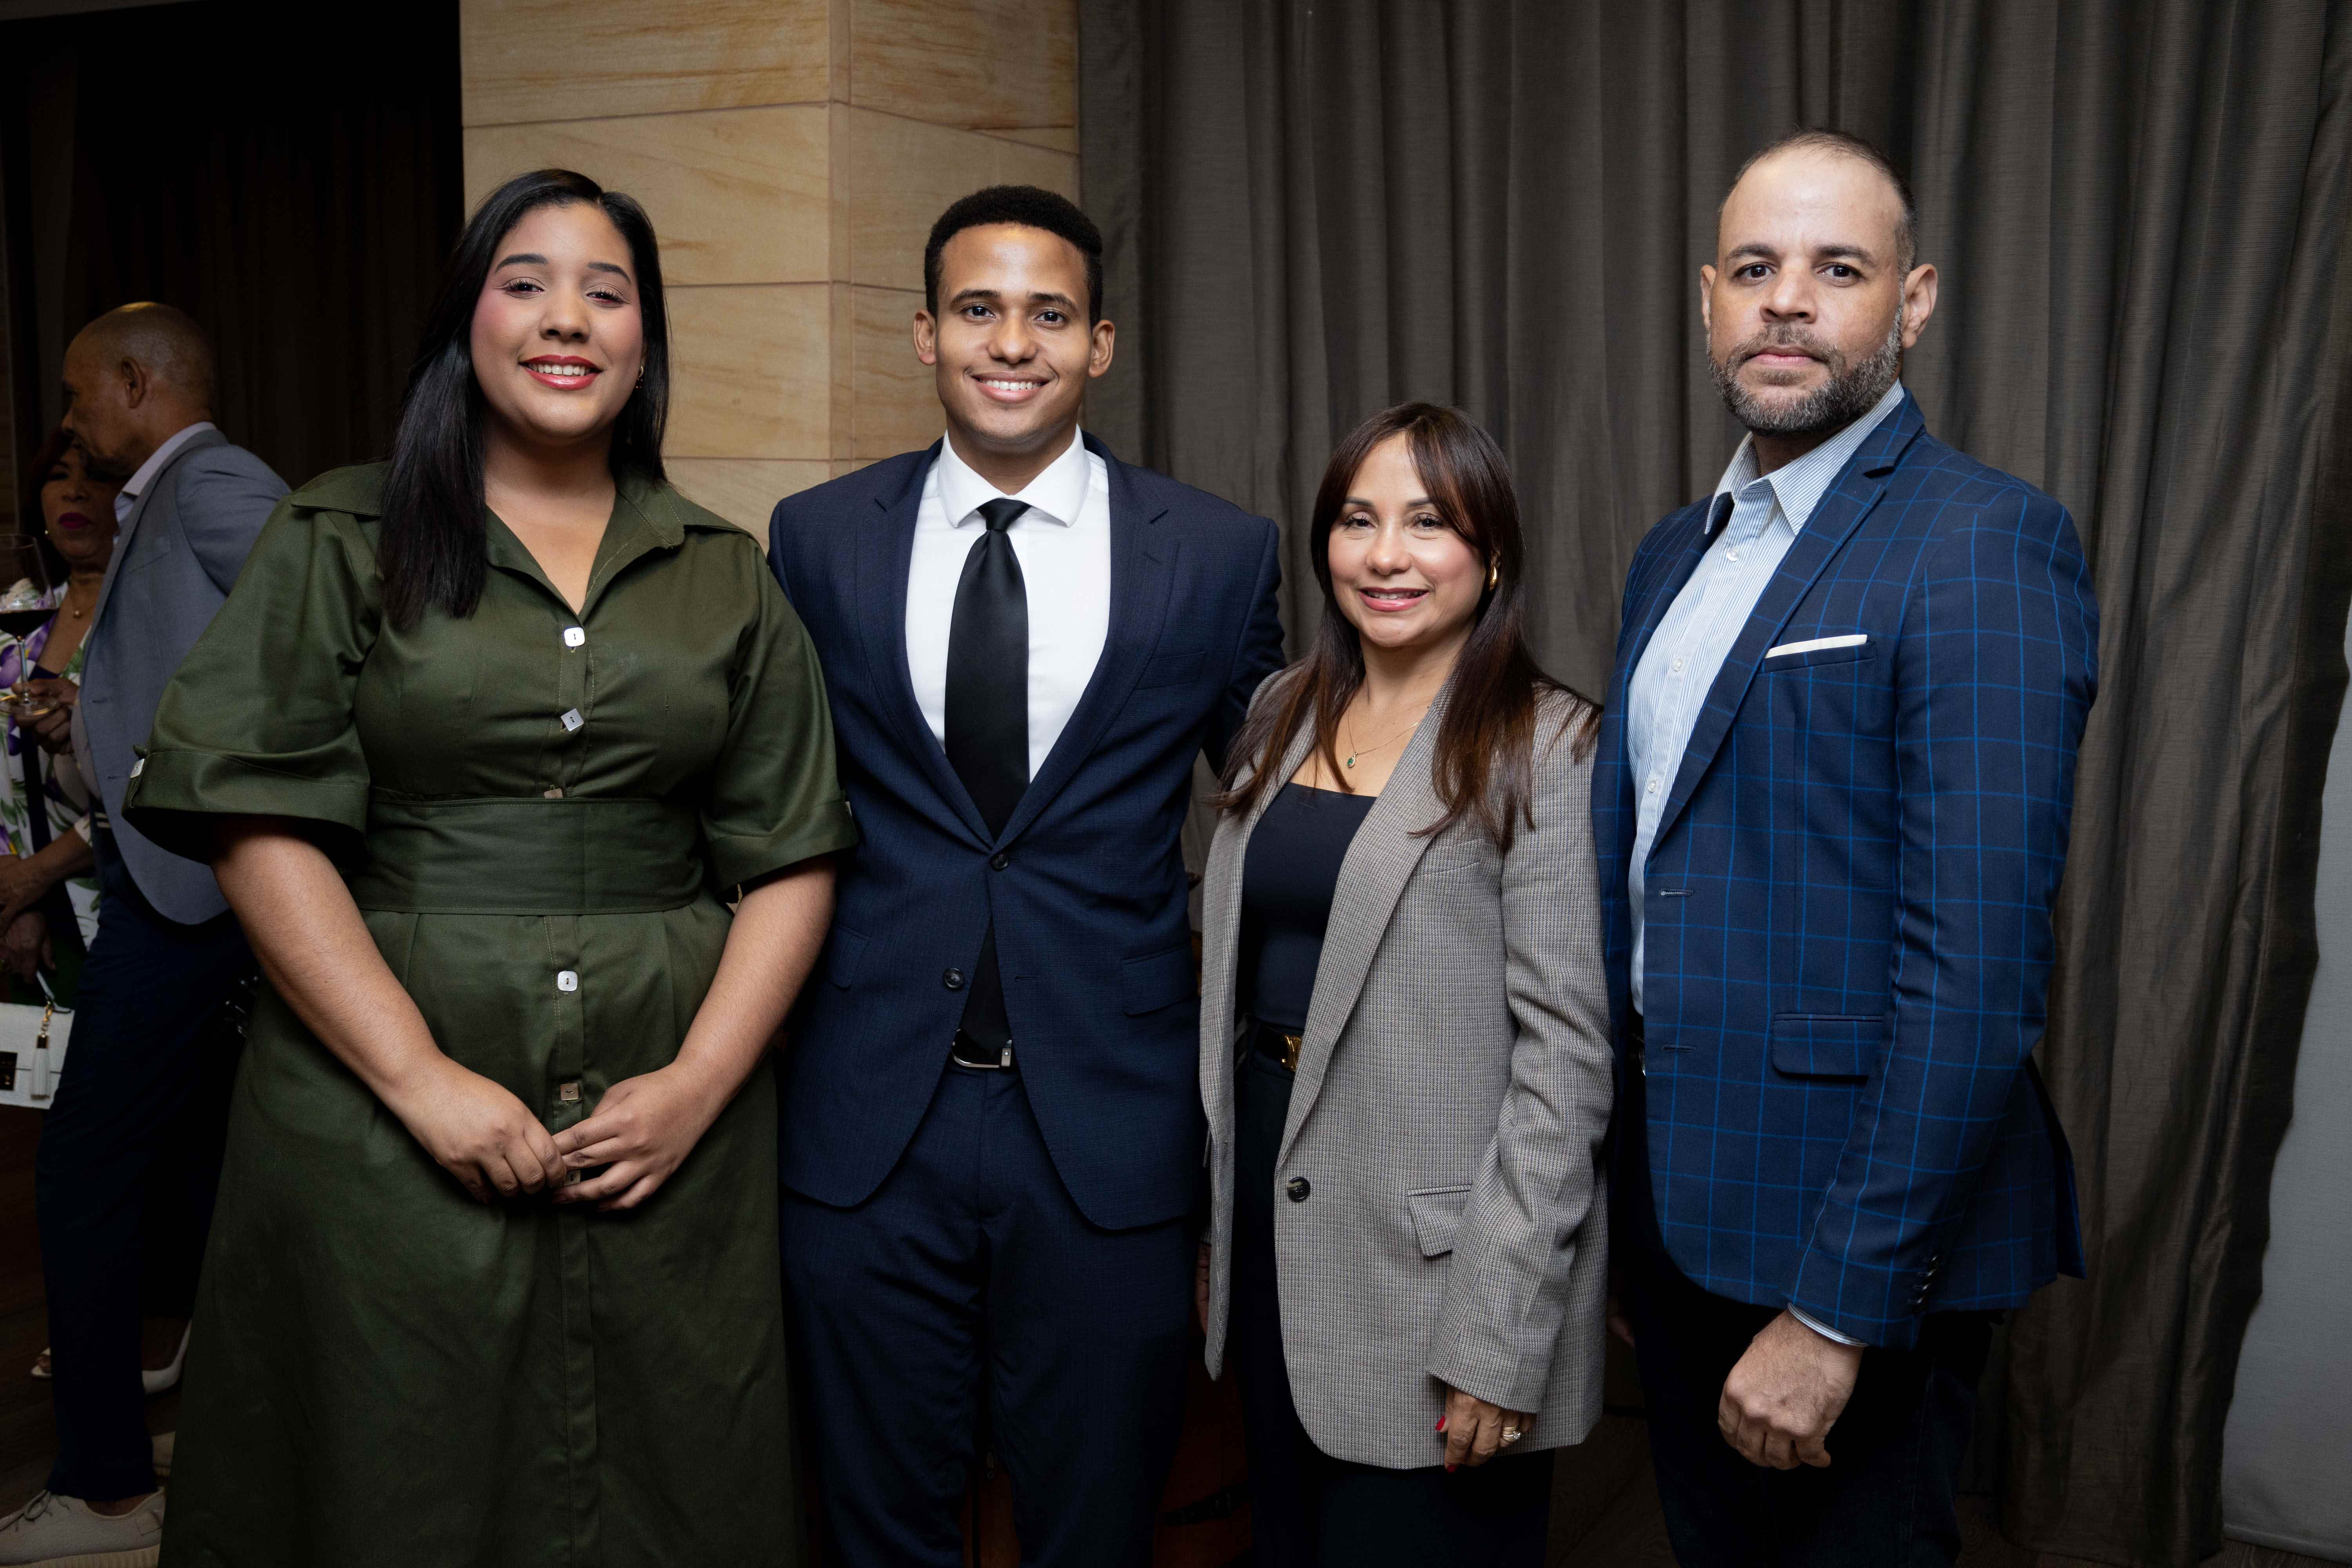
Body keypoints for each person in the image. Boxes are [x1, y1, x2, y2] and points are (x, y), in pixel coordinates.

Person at [114, 168, 850, 1567]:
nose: (565, 319)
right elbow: (258, 824)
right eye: (525, 283)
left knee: (670, 1469)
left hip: (665, 1112)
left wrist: (698, 1085)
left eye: (607, 291)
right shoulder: (342, 532)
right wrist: (418, 1078)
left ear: (646, 342)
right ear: (467, 323)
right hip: (374, 1099)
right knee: (395, 1464)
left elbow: (796, 850)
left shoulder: (725, 572)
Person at [1595, 130, 2098, 1567]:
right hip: (1689, 1211)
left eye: (1839, 269)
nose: (1788, 302)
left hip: (1855, 1249)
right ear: (1708, 300)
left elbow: (1976, 974)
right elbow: (1657, 893)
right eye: (1755, 269)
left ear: (1916, 301)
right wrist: (1643, 1217)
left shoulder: (1984, 544)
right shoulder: (1671, 556)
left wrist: (1837, 1310)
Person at [767, 184, 1285, 1567]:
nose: (1015, 342)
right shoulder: (814, 541)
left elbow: (1290, 796)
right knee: (878, 1526)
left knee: (1096, 1529)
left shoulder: (1220, 556)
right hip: (870, 1117)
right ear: (925, 334)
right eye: (980, 311)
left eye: (1049, 314)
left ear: (1100, 344)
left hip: (1106, 1126)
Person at [1196, 403, 1613, 1567]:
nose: (1386, 555)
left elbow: (1566, 1070)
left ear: (1489, 559)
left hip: (1438, 1270)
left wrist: (1499, 1333)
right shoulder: (1284, 710)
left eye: (1430, 523)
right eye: (1358, 521)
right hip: (1280, 1230)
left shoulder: (1548, 745)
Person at [0, 303, 285, 1566]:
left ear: (136, 383)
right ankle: (206, 1439)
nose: (69, 423)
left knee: (84, 1171)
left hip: (194, 894)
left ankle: (108, 1491)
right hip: (183, 884)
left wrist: (213, 782)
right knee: (201, 1177)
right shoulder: (163, 502)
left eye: (79, 396)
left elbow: (330, 628)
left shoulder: (212, 483)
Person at [0, 428, 118, 985]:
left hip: (116, 906)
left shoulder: (144, 616)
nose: (74, 493)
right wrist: (14, 896)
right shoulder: (16, 610)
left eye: (93, 475)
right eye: (57, 476)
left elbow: (154, 773)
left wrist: (36, 878)